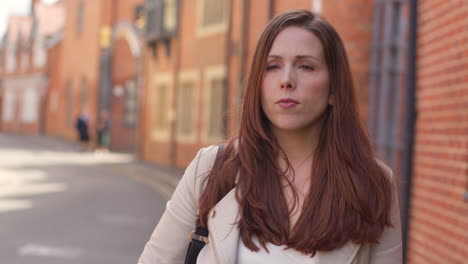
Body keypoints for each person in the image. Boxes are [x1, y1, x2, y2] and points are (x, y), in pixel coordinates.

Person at [138, 9, 402, 264]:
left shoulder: (373, 184)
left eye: (306, 67)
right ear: (257, 84)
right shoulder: (211, 170)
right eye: (272, 67)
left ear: (334, 89)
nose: (286, 80)